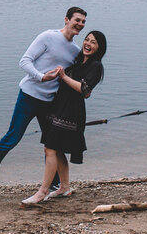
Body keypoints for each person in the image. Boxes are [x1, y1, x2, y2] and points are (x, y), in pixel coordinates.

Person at [0, 7, 87, 195]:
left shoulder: (75, 51)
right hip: (29, 96)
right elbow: (24, 61)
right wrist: (41, 77)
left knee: (53, 144)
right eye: (77, 20)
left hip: (50, 102)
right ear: (66, 19)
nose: (80, 24)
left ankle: (54, 184)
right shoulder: (48, 37)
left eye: (83, 22)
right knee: (13, 137)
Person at [22, 30, 106, 204]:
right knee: (57, 149)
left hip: (71, 112)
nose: (88, 44)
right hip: (59, 107)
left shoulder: (96, 66)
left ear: (99, 48)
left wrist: (64, 77)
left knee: (50, 148)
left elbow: (84, 90)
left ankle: (42, 192)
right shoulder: (77, 61)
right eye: (87, 40)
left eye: (93, 42)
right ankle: (64, 187)